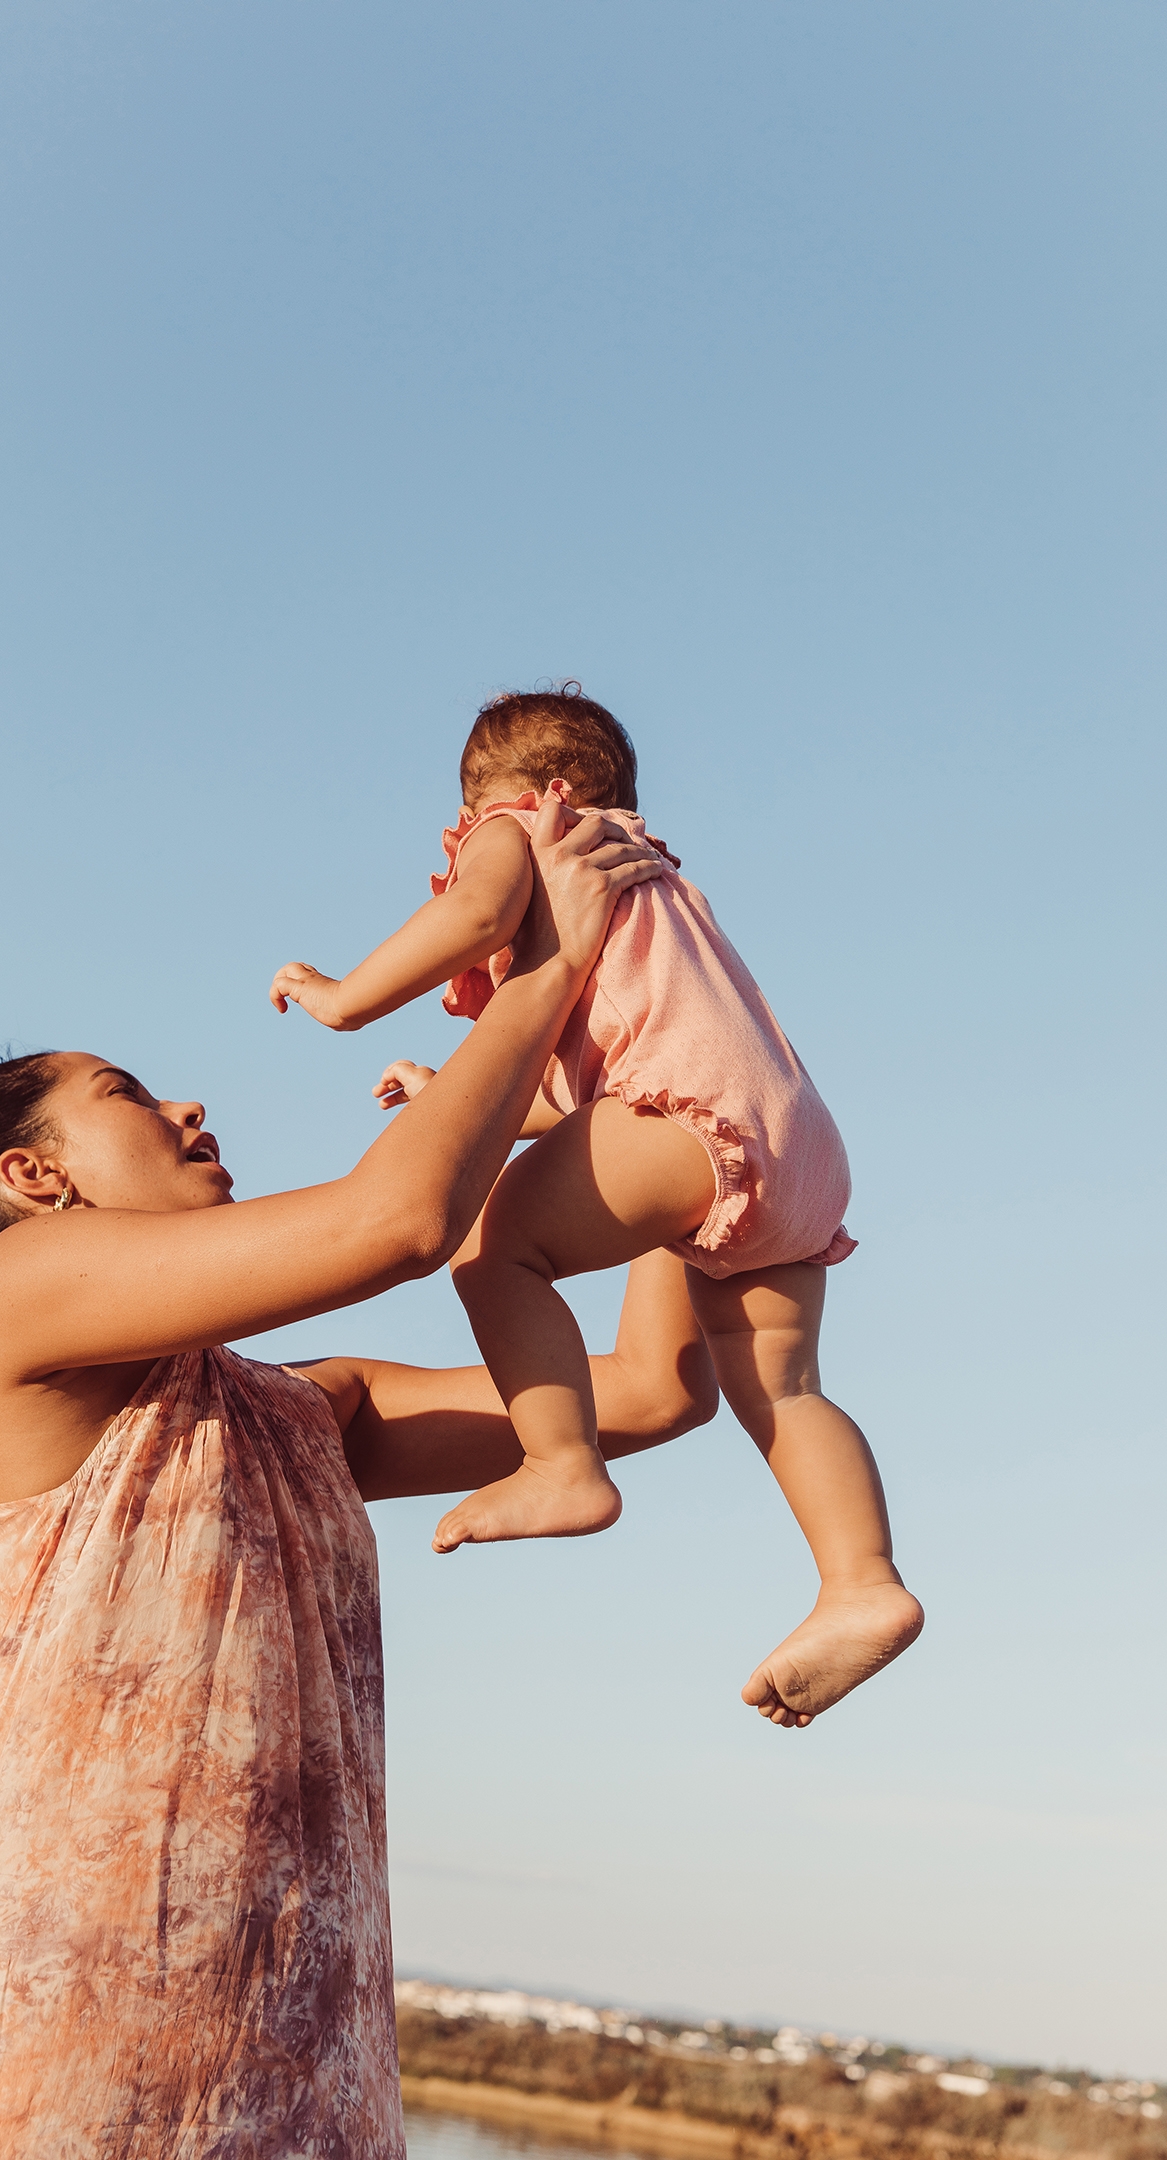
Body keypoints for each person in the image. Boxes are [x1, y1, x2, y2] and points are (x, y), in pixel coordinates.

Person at [0, 800, 714, 2157]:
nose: (190, 1102)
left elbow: (657, 1392)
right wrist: (549, 971)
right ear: (34, 1177)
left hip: (298, 2090)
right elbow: (400, 1219)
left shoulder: (309, 1415)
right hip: (57, 2070)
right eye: (130, 1096)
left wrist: (663, 1081)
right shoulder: (11, 1303)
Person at [271, 686, 923, 1728]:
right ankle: (863, 1582)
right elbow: (583, 1089)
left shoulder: (531, 830)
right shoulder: (650, 875)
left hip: (685, 1120)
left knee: (494, 1249)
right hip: (792, 1143)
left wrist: (344, 997)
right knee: (788, 1391)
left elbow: (472, 915)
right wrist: (452, 1093)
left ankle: (561, 1461)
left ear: (493, 792)